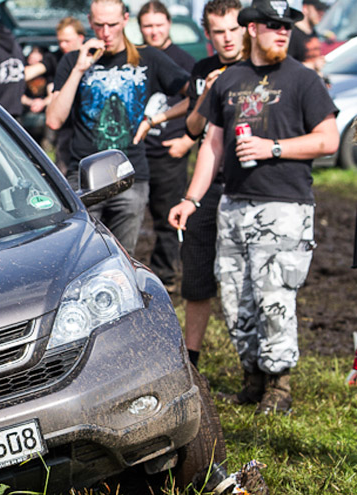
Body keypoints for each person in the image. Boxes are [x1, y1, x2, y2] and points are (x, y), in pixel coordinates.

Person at [168, 0, 338, 414]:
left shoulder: (303, 79)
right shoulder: (231, 80)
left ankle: (280, 387)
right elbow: (211, 144)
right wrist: (191, 199)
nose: (283, 32)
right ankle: (252, 380)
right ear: (252, 28)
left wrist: (273, 147)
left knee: (275, 295)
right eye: (273, 25)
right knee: (238, 295)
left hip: (284, 205)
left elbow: (329, 139)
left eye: (287, 27)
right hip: (233, 205)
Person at [46, 0, 188, 255]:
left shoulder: (149, 58)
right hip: (83, 175)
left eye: (112, 24)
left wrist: (155, 120)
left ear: (125, 20)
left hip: (128, 173)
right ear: (90, 22)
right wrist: (79, 69)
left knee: (123, 257)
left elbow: (197, 95)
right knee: (83, 257)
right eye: (99, 25)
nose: (106, 33)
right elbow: (54, 120)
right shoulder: (72, 61)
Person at [178, 0, 244, 370]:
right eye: (218, 32)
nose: (226, 39)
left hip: (245, 186)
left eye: (233, 30)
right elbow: (192, 129)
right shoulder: (204, 69)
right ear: (208, 34)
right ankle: (192, 360)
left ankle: (255, 367)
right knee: (197, 274)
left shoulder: (257, 69)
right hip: (206, 185)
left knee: (243, 281)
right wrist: (209, 92)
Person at [137, 1, 195, 293]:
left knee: (167, 218)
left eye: (159, 25)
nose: (154, 31)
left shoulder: (183, 60)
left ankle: (167, 276)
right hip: (136, 152)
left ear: (169, 24)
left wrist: (186, 141)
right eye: (148, 26)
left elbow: (204, 103)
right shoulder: (137, 57)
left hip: (168, 152)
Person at [51, 16, 85, 174]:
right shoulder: (57, 58)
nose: (63, 45)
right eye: (60, 41)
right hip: (65, 130)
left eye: (67, 41)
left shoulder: (94, 59)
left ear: (80, 38)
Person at [289, 0, 327, 72]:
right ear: (305, 8)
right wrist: (313, 65)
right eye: (318, 9)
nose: (321, 13)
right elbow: (286, 66)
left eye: (323, 10)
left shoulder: (313, 31)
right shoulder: (293, 33)